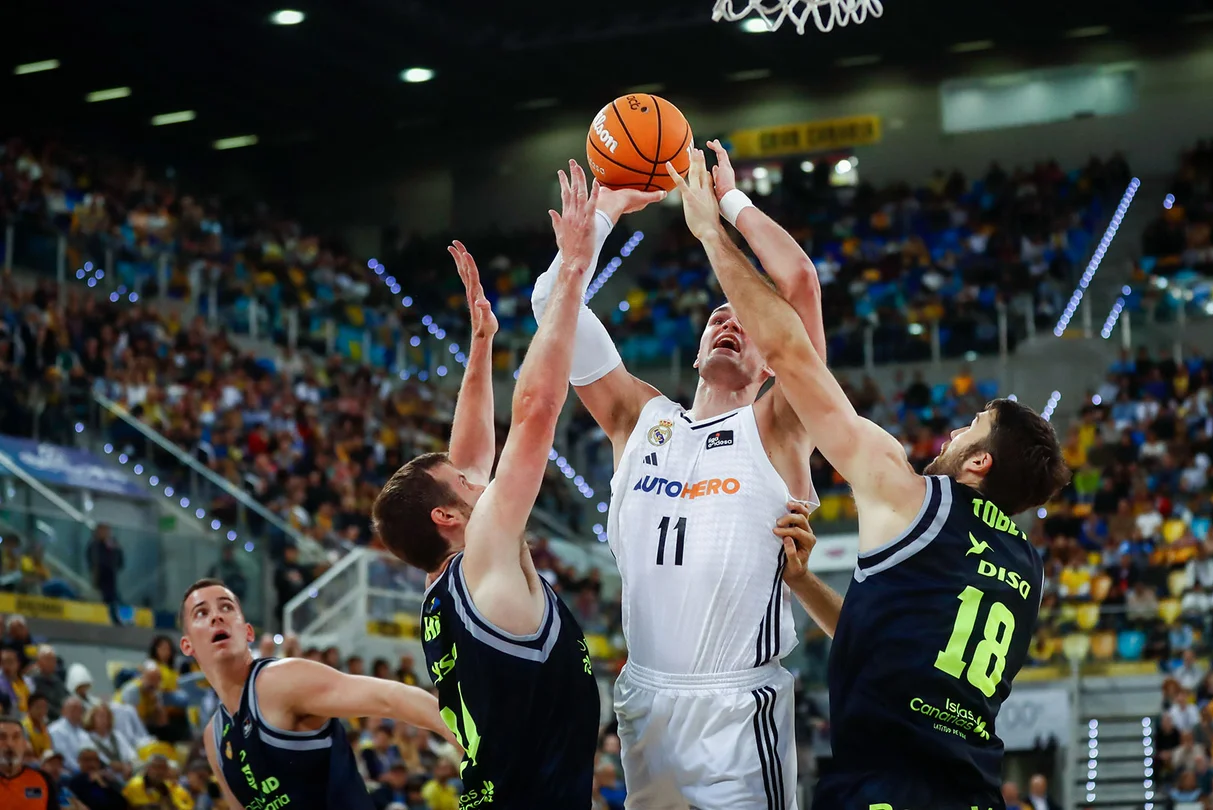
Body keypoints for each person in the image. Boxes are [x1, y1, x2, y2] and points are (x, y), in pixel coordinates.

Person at [667, 152, 1072, 810]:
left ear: (980, 464)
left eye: (970, 427)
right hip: (971, 791)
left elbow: (794, 354)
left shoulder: (909, 493)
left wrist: (715, 227)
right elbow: (888, 633)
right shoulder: (1025, 569)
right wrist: (803, 584)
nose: (952, 433)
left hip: (887, 788)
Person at [529, 142, 831, 809]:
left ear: (775, 359)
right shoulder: (638, 417)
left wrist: (729, 203)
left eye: (746, 321)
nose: (729, 320)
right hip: (645, 698)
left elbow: (801, 283)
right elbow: (553, 305)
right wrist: (606, 209)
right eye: (717, 317)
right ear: (695, 354)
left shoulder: (780, 425)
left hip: (737, 704)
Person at [371, 164, 604, 808]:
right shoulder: (489, 549)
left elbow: (467, 455)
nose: (481, 477)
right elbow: (533, 409)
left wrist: (480, 347)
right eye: (465, 485)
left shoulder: (441, 585)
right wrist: (574, 271)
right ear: (448, 516)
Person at [178, 579, 450, 810]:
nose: (217, 616)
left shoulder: (281, 681)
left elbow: (391, 697)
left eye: (227, 607)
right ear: (187, 646)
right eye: (201, 613)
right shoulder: (214, 736)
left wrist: (473, 743)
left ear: (247, 632)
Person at [0, 715, 59, 809]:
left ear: (25, 744)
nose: (10, 744)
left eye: (16, 737)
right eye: (2, 737)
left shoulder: (43, 780)